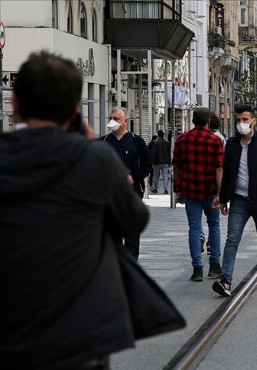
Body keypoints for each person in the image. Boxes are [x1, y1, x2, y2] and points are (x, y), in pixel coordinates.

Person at [0, 51, 184, 369]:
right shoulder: (95, 159)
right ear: (75, 111)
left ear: (15, 103)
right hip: (78, 333)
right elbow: (134, 220)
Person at [213, 104, 257, 297]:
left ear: (253, 121)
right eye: (238, 120)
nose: (241, 123)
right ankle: (225, 280)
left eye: (245, 119)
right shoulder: (232, 145)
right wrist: (223, 199)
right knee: (232, 239)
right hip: (239, 201)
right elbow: (227, 173)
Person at [172, 107, 224, 281]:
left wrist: (178, 188)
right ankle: (215, 265)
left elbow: (176, 167)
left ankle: (197, 269)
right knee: (214, 225)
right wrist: (219, 193)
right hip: (209, 192)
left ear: (193, 120)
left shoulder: (182, 139)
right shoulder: (215, 141)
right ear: (208, 121)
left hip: (190, 192)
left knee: (194, 228)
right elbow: (219, 168)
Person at [101, 106, 152, 259]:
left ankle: (129, 266)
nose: (112, 122)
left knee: (132, 235)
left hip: (132, 195)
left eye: (116, 119)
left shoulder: (136, 141)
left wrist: (133, 177)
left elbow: (147, 165)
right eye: (110, 118)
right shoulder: (103, 142)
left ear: (125, 122)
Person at [151, 130, 171, 194]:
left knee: (156, 176)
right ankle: (166, 189)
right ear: (163, 135)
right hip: (165, 162)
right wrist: (169, 162)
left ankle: (155, 189)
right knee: (165, 175)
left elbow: (154, 153)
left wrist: (152, 161)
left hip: (157, 162)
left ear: (158, 135)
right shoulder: (167, 143)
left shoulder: (156, 143)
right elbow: (169, 153)